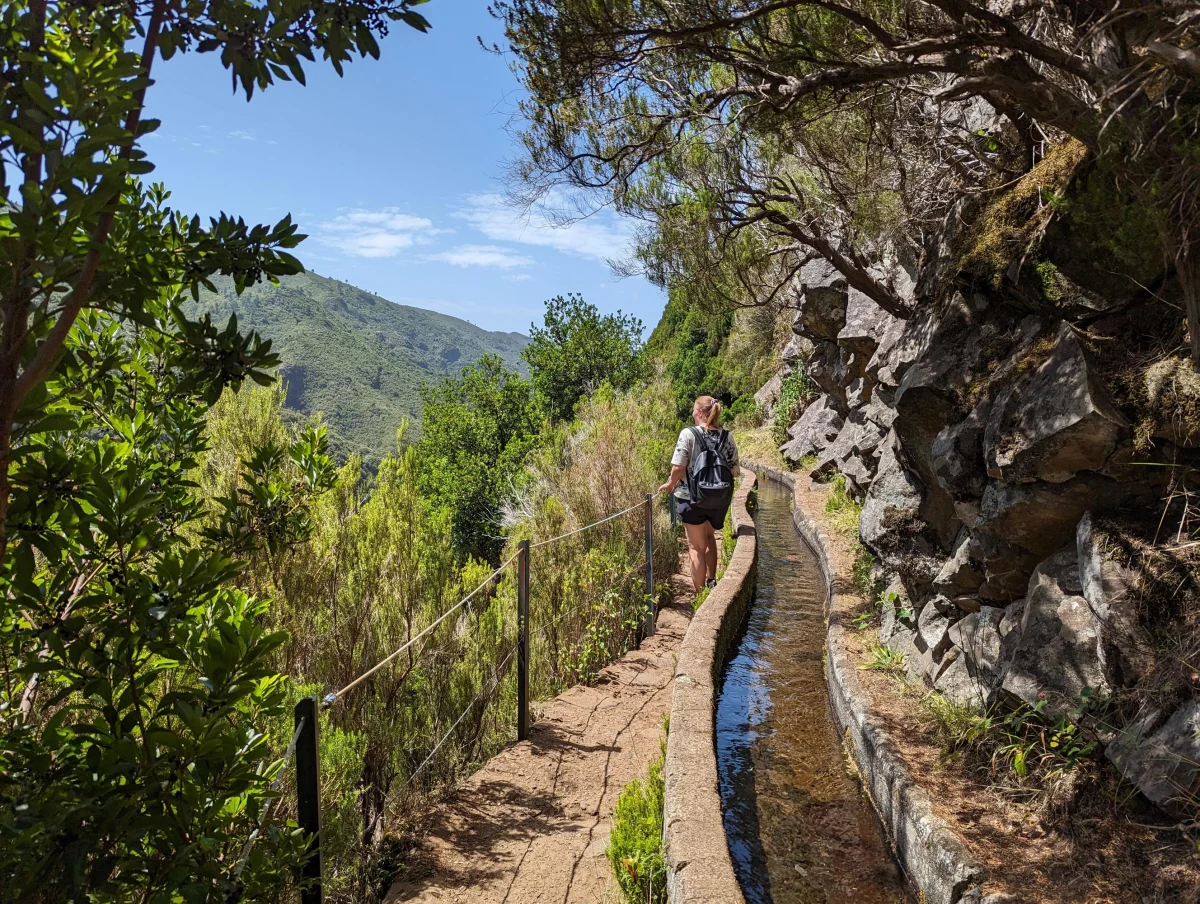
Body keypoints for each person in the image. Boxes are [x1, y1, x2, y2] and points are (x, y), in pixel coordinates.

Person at [658, 395, 740, 595]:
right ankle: (711, 580)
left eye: (694, 409)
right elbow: (735, 470)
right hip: (718, 500)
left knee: (696, 548)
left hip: (691, 499)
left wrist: (670, 484)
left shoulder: (688, 434)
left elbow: (678, 467)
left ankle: (701, 597)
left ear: (701, 412)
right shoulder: (727, 436)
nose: (692, 412)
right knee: (710, 537)